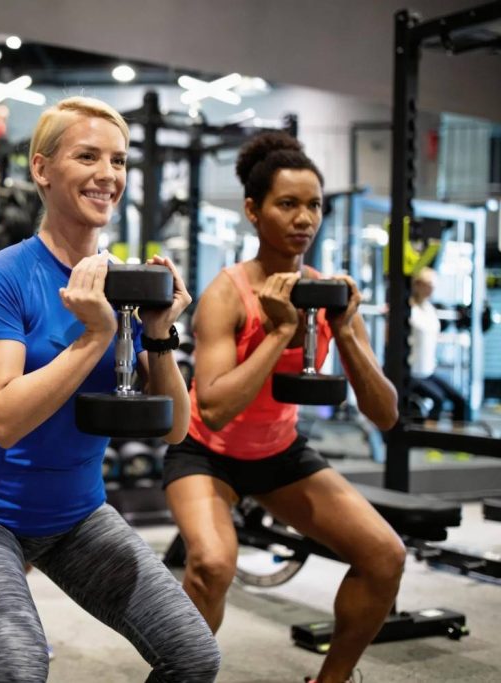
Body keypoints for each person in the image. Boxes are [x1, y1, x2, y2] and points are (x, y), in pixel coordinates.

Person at [0, 96, 221, 683]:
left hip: (78, 515)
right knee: (18, 666)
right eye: (88, 156)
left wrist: (160, 337)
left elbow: (175, 428)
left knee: (194, 656)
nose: (108, 174)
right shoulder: (5, 277)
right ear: (42, 169)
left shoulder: (129, 283)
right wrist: (94, 337)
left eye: (118, 160)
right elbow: (4, 419)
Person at [162, 132, 403, 683]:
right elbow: (216, 408)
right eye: (287, 204)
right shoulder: (228, 292)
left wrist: (344, 334)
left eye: (313, 205)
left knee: (384, 556)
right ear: (253, 210)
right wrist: (281, 333)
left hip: (280, 453)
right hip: (205, 454)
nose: (304, 219)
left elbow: (386, 414)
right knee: (212, 564)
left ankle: (332, 680)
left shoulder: (328, 293)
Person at [408, 265, 468, 423]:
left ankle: (458, 444)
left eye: (433, 286)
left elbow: (433, 335)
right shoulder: (408, 309)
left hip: (428, 371)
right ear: (418, 284)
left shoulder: (429, 309)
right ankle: (429, 442)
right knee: (438, 400)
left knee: (460, 400)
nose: (431, 290)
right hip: (412, 373)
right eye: (428, 285)